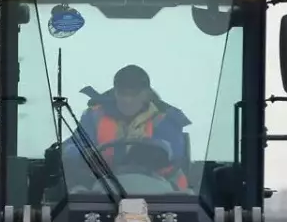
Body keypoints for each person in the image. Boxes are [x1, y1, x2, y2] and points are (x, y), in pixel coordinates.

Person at [63, 64, 193, 190]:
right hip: (104, 190)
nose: (127, 100)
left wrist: (148, 149)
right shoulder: (94, 116)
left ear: (146, 94)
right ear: (115, 92)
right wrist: (85, 153)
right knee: (77, 192)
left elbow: (174, 153)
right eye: (122, 93)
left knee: (185, 196)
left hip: (159, 190)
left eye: (134, 94)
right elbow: (71, 147)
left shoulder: (166, 119)